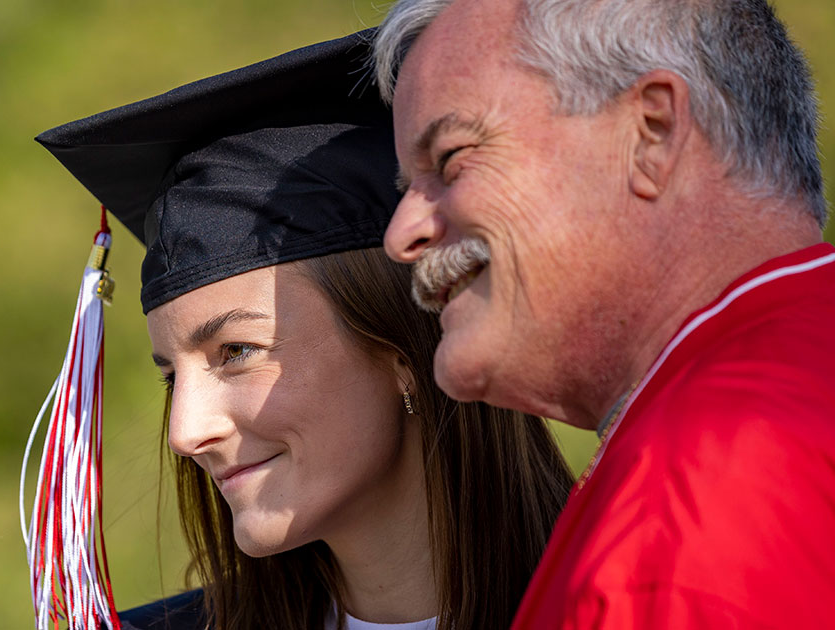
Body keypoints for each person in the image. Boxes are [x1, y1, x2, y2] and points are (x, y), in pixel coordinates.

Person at [37, 31, 575, 630]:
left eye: (237, 351)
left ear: (405, 352)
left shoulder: (641, 599)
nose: (185, 435)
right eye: (171, 378)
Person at [371, 0, 835, 627]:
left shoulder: (700, 494)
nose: (402, 237)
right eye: (406, 188)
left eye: (452, 160)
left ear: (652, 133)